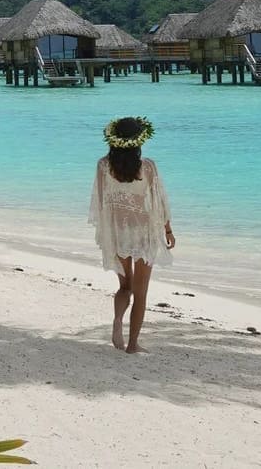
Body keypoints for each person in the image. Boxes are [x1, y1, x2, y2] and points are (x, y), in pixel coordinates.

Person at [88, 115, 175, 353]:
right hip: (144, 232)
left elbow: (102, 201)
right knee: (141, 293)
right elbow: (159, 201)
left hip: (119, 231)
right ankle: (133, 344)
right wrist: (167, 228)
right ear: (139, 142)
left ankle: (117, 322)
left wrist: (108, 231)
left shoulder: (103, 166)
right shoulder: (147, 167)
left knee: (125, 286)